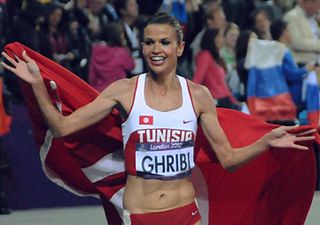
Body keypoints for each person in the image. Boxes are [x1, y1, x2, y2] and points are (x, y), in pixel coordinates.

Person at [1, 12, 316, 225]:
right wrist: (38, 85)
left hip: (187, 214)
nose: (156, 49)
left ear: (179, 48)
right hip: (140, 216)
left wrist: (266, 141)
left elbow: (229, 159)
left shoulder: (199, 96)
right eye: (149, 42)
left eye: (164, 42)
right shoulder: (124, 91)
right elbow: (63, 127)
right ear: (142, 46)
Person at [270, 19, 317, 114]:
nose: (290, 33)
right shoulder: (280, 52)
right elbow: (289, 75)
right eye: (288, 30)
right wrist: (305, 69)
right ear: (283, 33)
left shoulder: (282, 50)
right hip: (290, 96)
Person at [193, 28, 240, 109]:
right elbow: (198, 79)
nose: (223, 39)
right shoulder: (205, 56)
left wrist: (233, 100)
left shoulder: (216, 57)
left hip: (225, 99)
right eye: (220, 36)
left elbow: (223, 84)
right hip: (216, 101)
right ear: (213, 39)